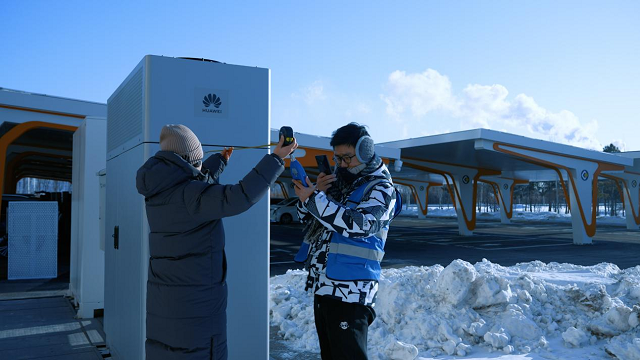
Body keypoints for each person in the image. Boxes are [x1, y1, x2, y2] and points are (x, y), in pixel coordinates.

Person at [136, 124, 297, 360]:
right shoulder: (191, 196)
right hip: (196, 306)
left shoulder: (161, 190)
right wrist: (276, 158)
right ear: (189, 159)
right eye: (197, 159)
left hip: (166, 302)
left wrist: (218, 161)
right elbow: (239, 196)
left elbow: (194, 183)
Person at [293, 122, 399, 360]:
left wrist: (316, 200)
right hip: (325, 285)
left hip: (351, 291)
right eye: (337, 158)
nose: (341, 164)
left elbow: (358, 225)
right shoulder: (341, 185)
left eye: (347, 158)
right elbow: (309, 221)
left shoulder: (382, 189)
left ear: (366, 151)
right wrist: (315, 194)